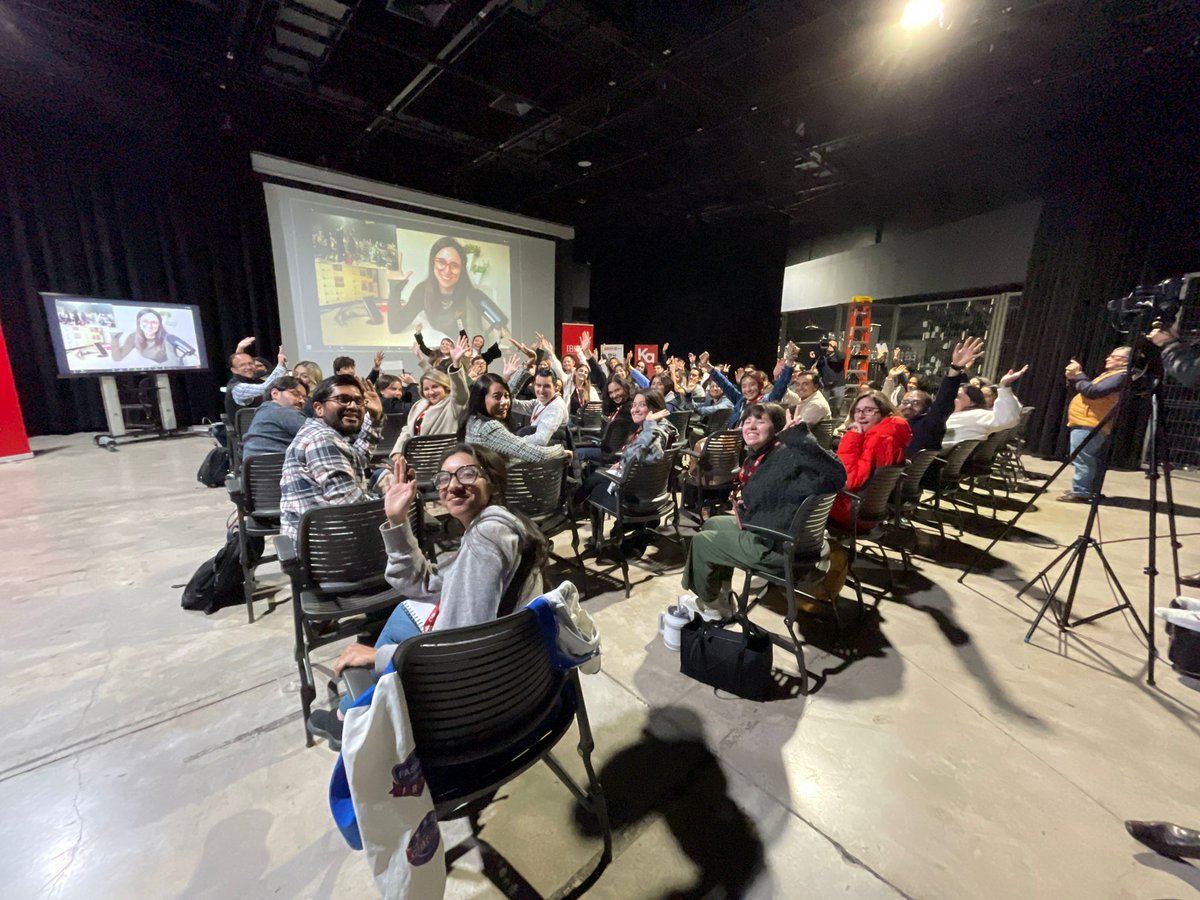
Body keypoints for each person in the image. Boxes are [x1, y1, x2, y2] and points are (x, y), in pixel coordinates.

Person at [307, 444, 548, 748]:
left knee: (390, 634)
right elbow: (425, 583)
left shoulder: (486, 538)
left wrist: (377, 656)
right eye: (444, 479)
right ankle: (358, 708)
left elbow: (462, 646)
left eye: (467, 473)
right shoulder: (501, 524)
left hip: (480, 692)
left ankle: (354, 716)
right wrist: (397, 519)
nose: (454, 485)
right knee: (406, 610)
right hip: (516, 671)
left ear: (493, 482)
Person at [678, 403, 846, 620]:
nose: (751, 425)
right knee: (712, 523)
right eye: (747, 421)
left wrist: (799, 437)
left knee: (703, 541)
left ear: (776, 429)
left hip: (777, 546)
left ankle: (711, 605)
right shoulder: (764, 455)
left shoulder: (789, 455)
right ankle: (722, 594)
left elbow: (836, 476)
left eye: (760, 421)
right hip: (771, 529)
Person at [279, 375, 386, 541]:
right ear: (319, 408)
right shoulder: (322, 440)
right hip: (331, 549)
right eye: (343, 399)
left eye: (358, 401)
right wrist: (391, 501)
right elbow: (351, 507)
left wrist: (375, 417)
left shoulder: (319, 432)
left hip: (321, 541)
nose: (352, 406)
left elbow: (358, 459)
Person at [386, 236, 500, 341]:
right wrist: (395, 287)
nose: (447, 270)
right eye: (441, 262)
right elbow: (395, 326)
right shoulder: (423, 291)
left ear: (462, 269)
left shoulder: (472, 294)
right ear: (432, 263)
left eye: (454, 265)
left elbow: (499, 323)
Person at [830, 391, 913, 529]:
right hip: (870, 510)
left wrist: (851, 438)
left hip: (851, 511)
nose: (861, 415)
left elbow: (850, 482)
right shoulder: (890, 432)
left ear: (883, 412)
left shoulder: (878, 440)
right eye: (857, 411)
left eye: (869, 410)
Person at [1059, 346, 1130, 503]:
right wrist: (1075, 378)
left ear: (1125, 362)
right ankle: (1089, 490)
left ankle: (1081, 492)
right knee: (1089, 458)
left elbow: (1092, 392)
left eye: (1114, 357)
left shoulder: (1120, 376)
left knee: (1083, 458)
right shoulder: (1111, 375)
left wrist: (1078, 374)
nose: (1108, 358)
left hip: (1091, 423)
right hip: (1088, 422)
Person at [899, 337, 982, 457]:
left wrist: (956, 368)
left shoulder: (928, 425)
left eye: (915, 403)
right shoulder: (893, 424)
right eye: (905, 402)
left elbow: (943, 403)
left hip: (904, 474)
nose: (908, 406)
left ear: (927, 409)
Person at [462, 374, 570, 464]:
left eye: (546, 386)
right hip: (501, 485)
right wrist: (561, 450)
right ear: (481, 399)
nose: (504, 401)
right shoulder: (489, 427)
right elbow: (538, 455)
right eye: (497, 397)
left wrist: (524, 369)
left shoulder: (473, 419)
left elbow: (509, 398)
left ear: (556, 387)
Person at [395, 335, 471, 454]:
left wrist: (456, 364)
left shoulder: (452, 404)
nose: (431, 392)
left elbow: (460, 393)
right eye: (426, 389)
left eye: (435, 387)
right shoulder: (419, 405)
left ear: (445, 387)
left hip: (437, 461)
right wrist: (397, 453)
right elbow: (407, 431)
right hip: (412, 458)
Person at [941, 365, 1027, 449]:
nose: (951, 399)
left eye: (957, 397)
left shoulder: (976, 415)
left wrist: (1004, 386)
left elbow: (1007, 418)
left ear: (972, 402)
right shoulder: (956, 415)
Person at [240, 376, 309, 459]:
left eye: (304, 398)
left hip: (255, 470)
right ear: (275, 394)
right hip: (279, 469)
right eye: (295, 394)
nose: (302, 401)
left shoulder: (265, 411)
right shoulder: (282, 412)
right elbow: (318, 434)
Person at [506, 362, 569, 446]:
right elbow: (510, 403)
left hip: (550, 453)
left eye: (546, 386)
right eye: (538, 385)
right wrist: (521, 372)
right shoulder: (540, 402)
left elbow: (541, 439)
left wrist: (514, 441)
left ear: (555, 387)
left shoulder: (556, 407)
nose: (541, 391)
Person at [225, 338, 287, 422]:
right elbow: (264, 388)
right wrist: (280, 364)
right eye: (242, 365)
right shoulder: (237, 388)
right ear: (234, 370)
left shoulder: (255, 380)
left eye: (250, 363)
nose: (248, 367)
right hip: (252, 432)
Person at [109, 308, 182, 366]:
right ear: (139, 322)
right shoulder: (133, 337)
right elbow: (117, 358)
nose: (149, 326)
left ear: (159, 324)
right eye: (145, 321)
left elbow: (174, 362)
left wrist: (152, 369)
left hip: (171, 372)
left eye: (154, 322)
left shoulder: (167, 338)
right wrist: (115, 338)